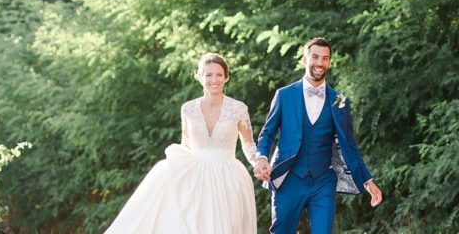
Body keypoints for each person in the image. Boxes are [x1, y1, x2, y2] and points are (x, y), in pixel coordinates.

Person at [104, 52, 263, 233]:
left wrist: (258, 162)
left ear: (226, 77)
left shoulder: (238, 109)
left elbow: (248, 144)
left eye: (219, 74)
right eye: (208, 74)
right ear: (199, 76)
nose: (214, 79)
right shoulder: (188, 109)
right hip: (195, 179)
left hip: (228, 177)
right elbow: (186, 144)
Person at [254, 37, 383, 234]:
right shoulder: (284, 95)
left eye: (325, 58)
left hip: (323, 181)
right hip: (289, 179)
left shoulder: (339, 101)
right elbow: (267, 133)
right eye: (315, 57)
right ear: (305, 60)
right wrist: (262, 158)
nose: (320, 63)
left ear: (329, 62)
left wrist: (368, 181)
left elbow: (349, 145)